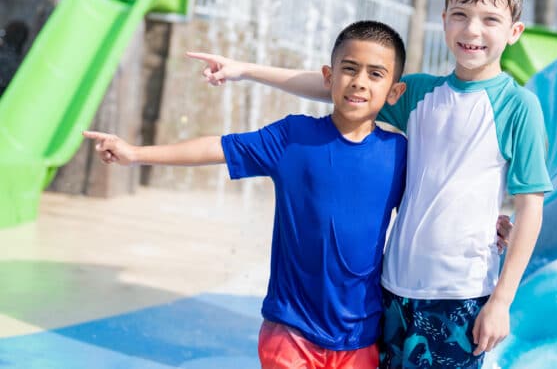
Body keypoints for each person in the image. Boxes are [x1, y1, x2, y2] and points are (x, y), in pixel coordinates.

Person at [188, 0, 553, 368]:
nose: (472, 30)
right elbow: (336, 88)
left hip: (461, 294)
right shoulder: (418, 94)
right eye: (461, 15)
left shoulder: (519, 108)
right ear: (444, 19)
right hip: (393, 289)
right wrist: (245, 71)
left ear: (514, 31)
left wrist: (502, 300)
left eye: (490, 20)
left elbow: (530, 209)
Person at [85, 21, 410, 369]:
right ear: (328, 77)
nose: (359, 81)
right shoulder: (293, 138)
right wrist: (136, 154)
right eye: (349, 69)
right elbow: (218, 147)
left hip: (360, 337)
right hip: (290, 332)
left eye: (375, 74)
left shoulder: (400, 154)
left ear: (394, 93)